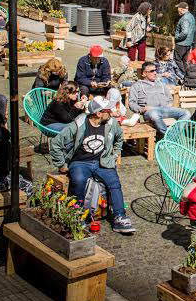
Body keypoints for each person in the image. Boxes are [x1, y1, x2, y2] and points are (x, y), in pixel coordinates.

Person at [48, 96, 135, 233]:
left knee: (114, 182)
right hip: (80, 162)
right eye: (108, 110)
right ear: (98, 113)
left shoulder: (112, 123)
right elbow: (56, 143)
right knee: (79, 181)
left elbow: (119, 137)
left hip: (103, 161)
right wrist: (61, 164)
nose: (112, 112)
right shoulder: (78, 124)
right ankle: (78, 215)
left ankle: (120, 216)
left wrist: (115, 154)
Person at [128, 61, 191, 135]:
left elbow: (169, 98)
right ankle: (169, 136)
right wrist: (141, 109)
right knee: (154, 114)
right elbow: (132, 103)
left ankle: (171, 135)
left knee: (186, 113)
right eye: (152, 71)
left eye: (155, 70)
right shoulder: (137, 86)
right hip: (150, 111)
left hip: (165, 109)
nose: (155, 73)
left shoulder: (161, 84)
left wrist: (169, 104)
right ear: (144, 73)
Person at [173, 1, 196, 73]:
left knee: (177, 60)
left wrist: (177, 37)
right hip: (188, 43)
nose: (177, 10)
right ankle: (187, 75)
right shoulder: (191, 16)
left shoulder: (184, 18)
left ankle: (183, 74)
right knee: (184, 61)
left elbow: (184, 32)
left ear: (181, 9)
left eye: (178, 8)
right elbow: (193, 29)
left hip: (181, 43)